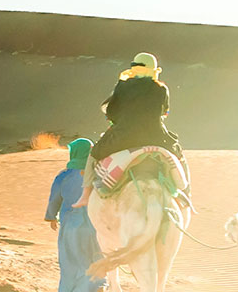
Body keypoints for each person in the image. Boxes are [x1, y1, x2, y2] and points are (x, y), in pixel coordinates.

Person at [75, 52, 183, 208]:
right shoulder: (161, 89)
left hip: (122, 137)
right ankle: (185, 196)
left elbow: (111, 112)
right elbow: (164, 112)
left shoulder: (122, 86)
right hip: (156, 137)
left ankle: (85, 195)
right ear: (153, 69)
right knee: (178, 156)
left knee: (94, 154)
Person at [46, 138, 106, 292]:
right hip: (98, 227)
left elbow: (55, 198)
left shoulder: (64, 176)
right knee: (97, 263)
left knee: (74, 264)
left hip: (72, 227)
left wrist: (50, 216)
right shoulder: (99, 174)